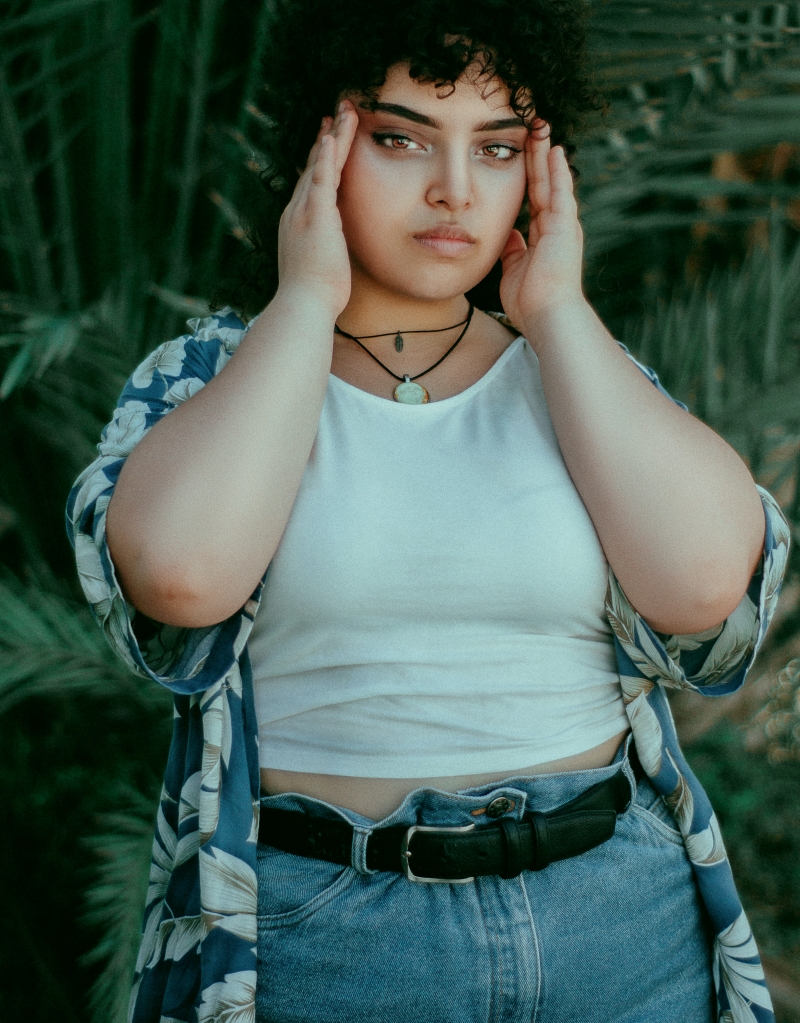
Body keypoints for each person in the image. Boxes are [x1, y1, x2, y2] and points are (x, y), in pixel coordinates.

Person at [67, 1, 789, 1021]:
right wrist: (304, 302)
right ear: (317, 142)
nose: (454, 190)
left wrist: (558, 312)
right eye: (401, 138)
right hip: (337, 934)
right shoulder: (205, 382)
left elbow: (706, 587)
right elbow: (179, 578)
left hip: (617, 918)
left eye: (495, 150)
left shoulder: (577, 376)